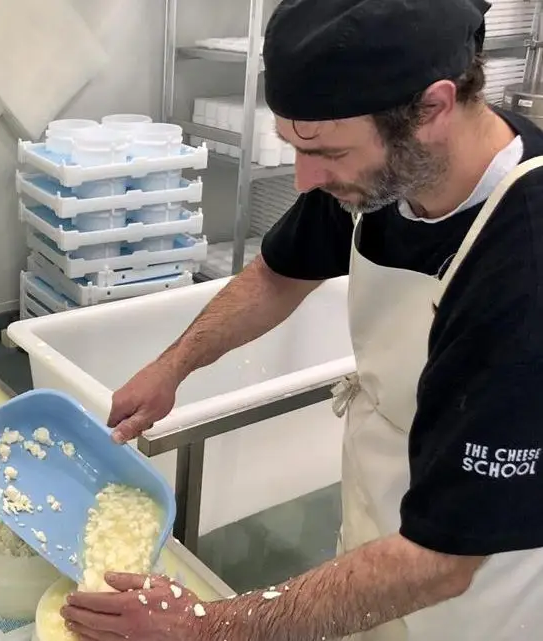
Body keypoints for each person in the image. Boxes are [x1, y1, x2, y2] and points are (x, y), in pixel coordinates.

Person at [62, 0, 543, 639]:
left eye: (326, 152)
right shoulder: (385, 169)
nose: (304, 178)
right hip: (382, 513)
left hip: (475, 582)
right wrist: (173, 366)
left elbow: (442, 561)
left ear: (432, 108)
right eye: (293, 147)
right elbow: (278, 274)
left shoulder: (523, 258)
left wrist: (203, 626)